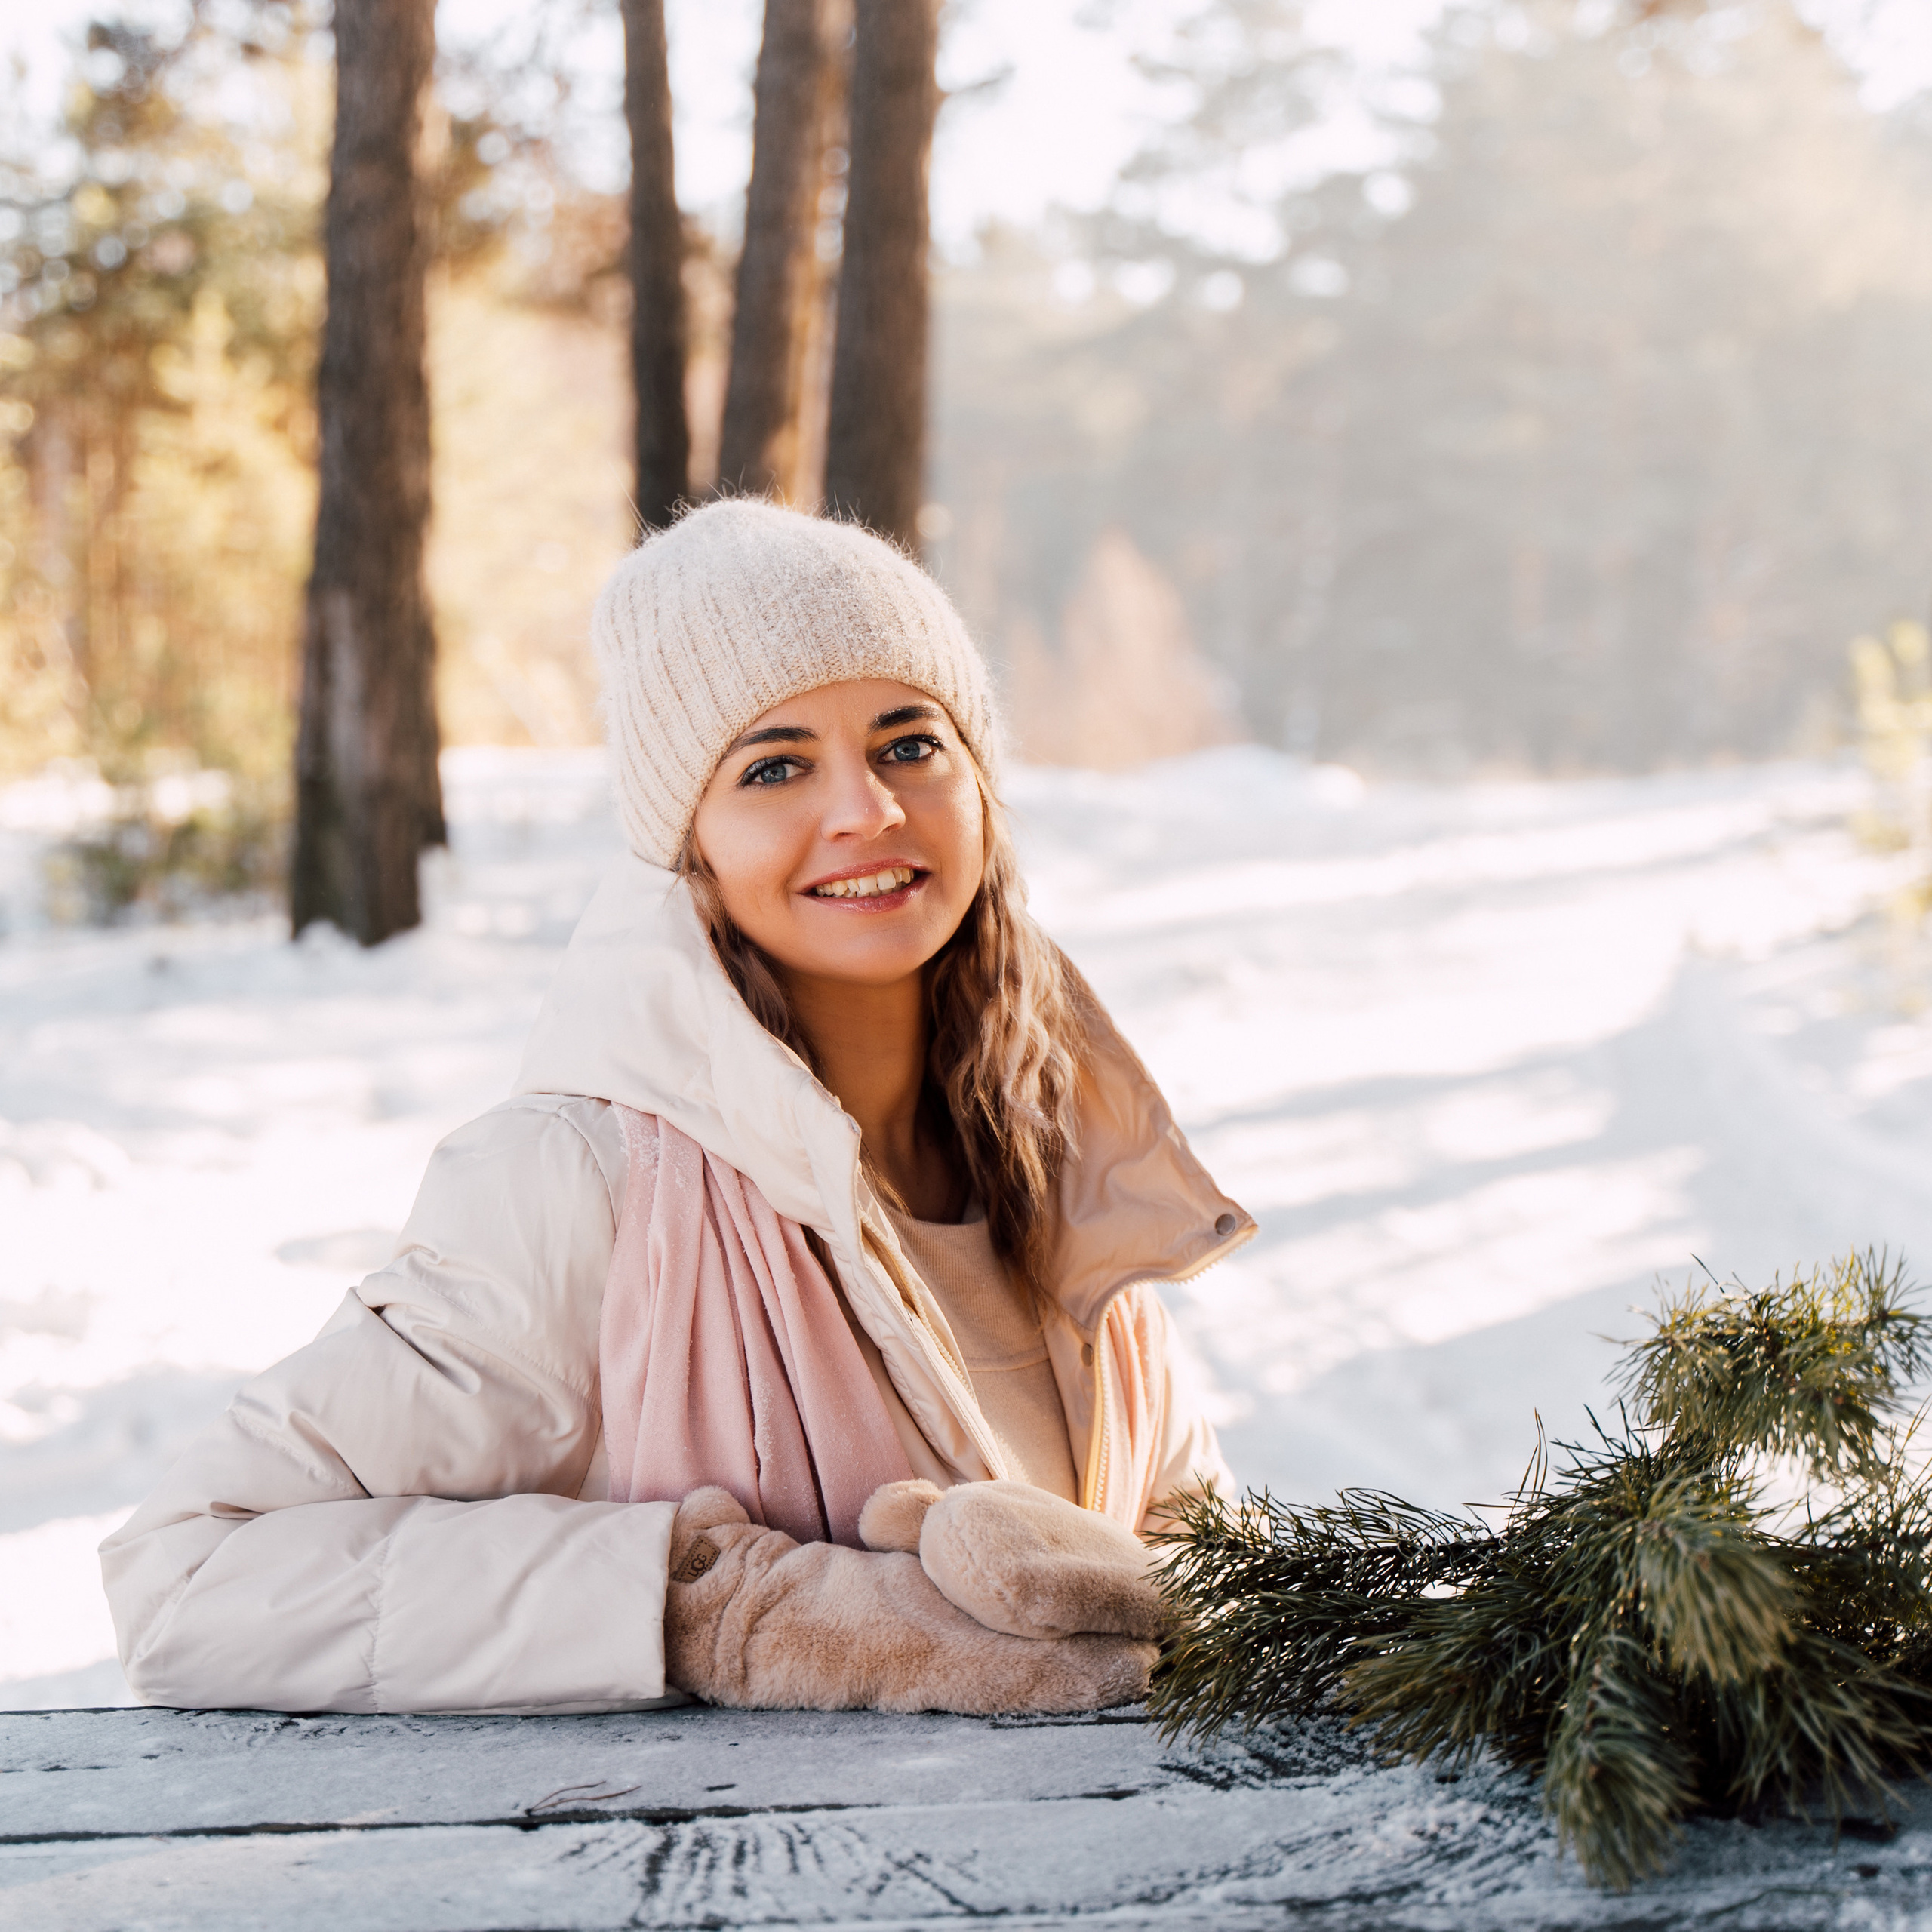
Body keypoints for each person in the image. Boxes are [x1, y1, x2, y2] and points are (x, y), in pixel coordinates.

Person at [100, 501, 1252, 1715]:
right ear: (686, 840)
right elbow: (188, 1579)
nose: (867, 809)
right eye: (774, 767)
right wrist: (736, 1614)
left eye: (911, 743)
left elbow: (1207, 1570)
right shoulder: (583, 1181)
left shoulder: (1062, 1158)